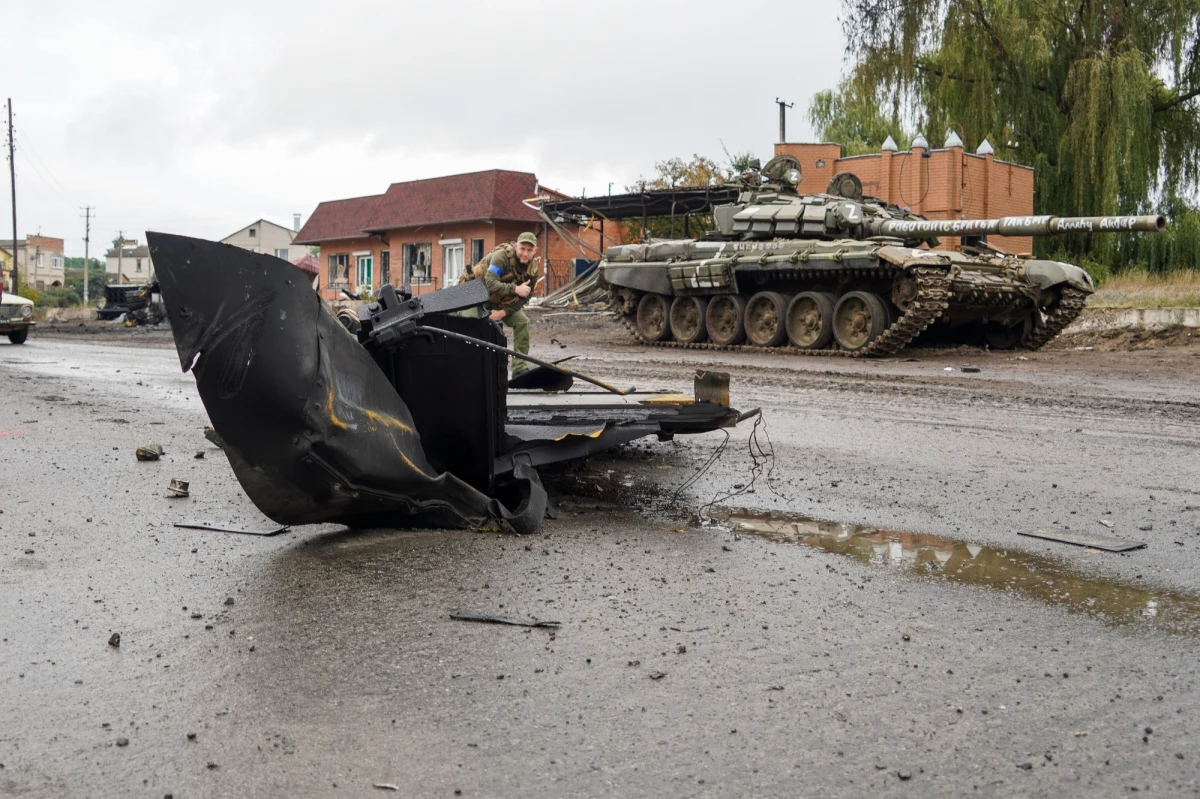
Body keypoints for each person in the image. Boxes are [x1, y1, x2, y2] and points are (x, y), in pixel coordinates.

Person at [461, 232, 541, 376]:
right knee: (472, 325)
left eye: (529, 250)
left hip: (498, 301)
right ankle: (467, 368)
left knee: (522, 322)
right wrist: (515, 289)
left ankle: (519, 368)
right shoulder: (501, 257)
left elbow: (525, 297)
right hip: (473, 296)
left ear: (535, 251)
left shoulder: (532, 269)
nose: (525, 253)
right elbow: (491, 282)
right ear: (516, 246)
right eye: (522, 248)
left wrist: (502, 312)